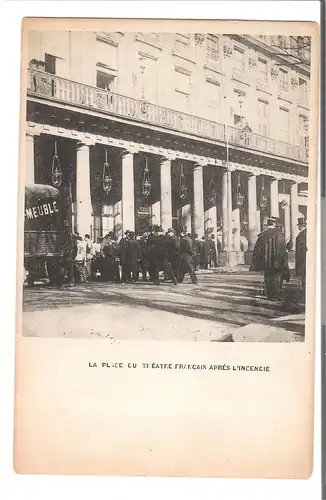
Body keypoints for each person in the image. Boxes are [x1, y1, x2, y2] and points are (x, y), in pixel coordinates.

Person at [250, 217, 287, 301]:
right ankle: (276, 295)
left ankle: (269, 295)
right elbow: (283, 249)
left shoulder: (262, 235)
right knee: (277, 279)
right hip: (277, 261)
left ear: (268, 225)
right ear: (274, 224)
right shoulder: (279, 234)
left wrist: (259, 263)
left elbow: (257, 250)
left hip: (266, 262)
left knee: (268, 278)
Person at [295, 217, 307, 291]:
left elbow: (299, 250)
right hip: (307, 258)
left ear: (301, 226)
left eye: (299, 226)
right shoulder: (308, 232)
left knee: (304, 275)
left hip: (303, 259)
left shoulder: (301, 235)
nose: (298, 227)